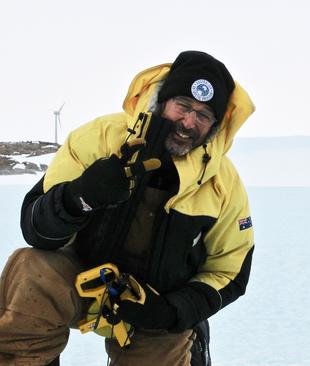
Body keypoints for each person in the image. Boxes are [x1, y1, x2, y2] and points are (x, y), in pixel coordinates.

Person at [0, 50, 256, 365]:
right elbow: (37, 230)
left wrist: (174, 311)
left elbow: (230, 271)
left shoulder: (224, 183)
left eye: (204, 115)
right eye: (184, 106)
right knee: (31, 267)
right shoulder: (97, 139)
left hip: (156, 303)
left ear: (215, 125)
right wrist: (80, 197)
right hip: (80, 278)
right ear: (164, 100)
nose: (189, 122)